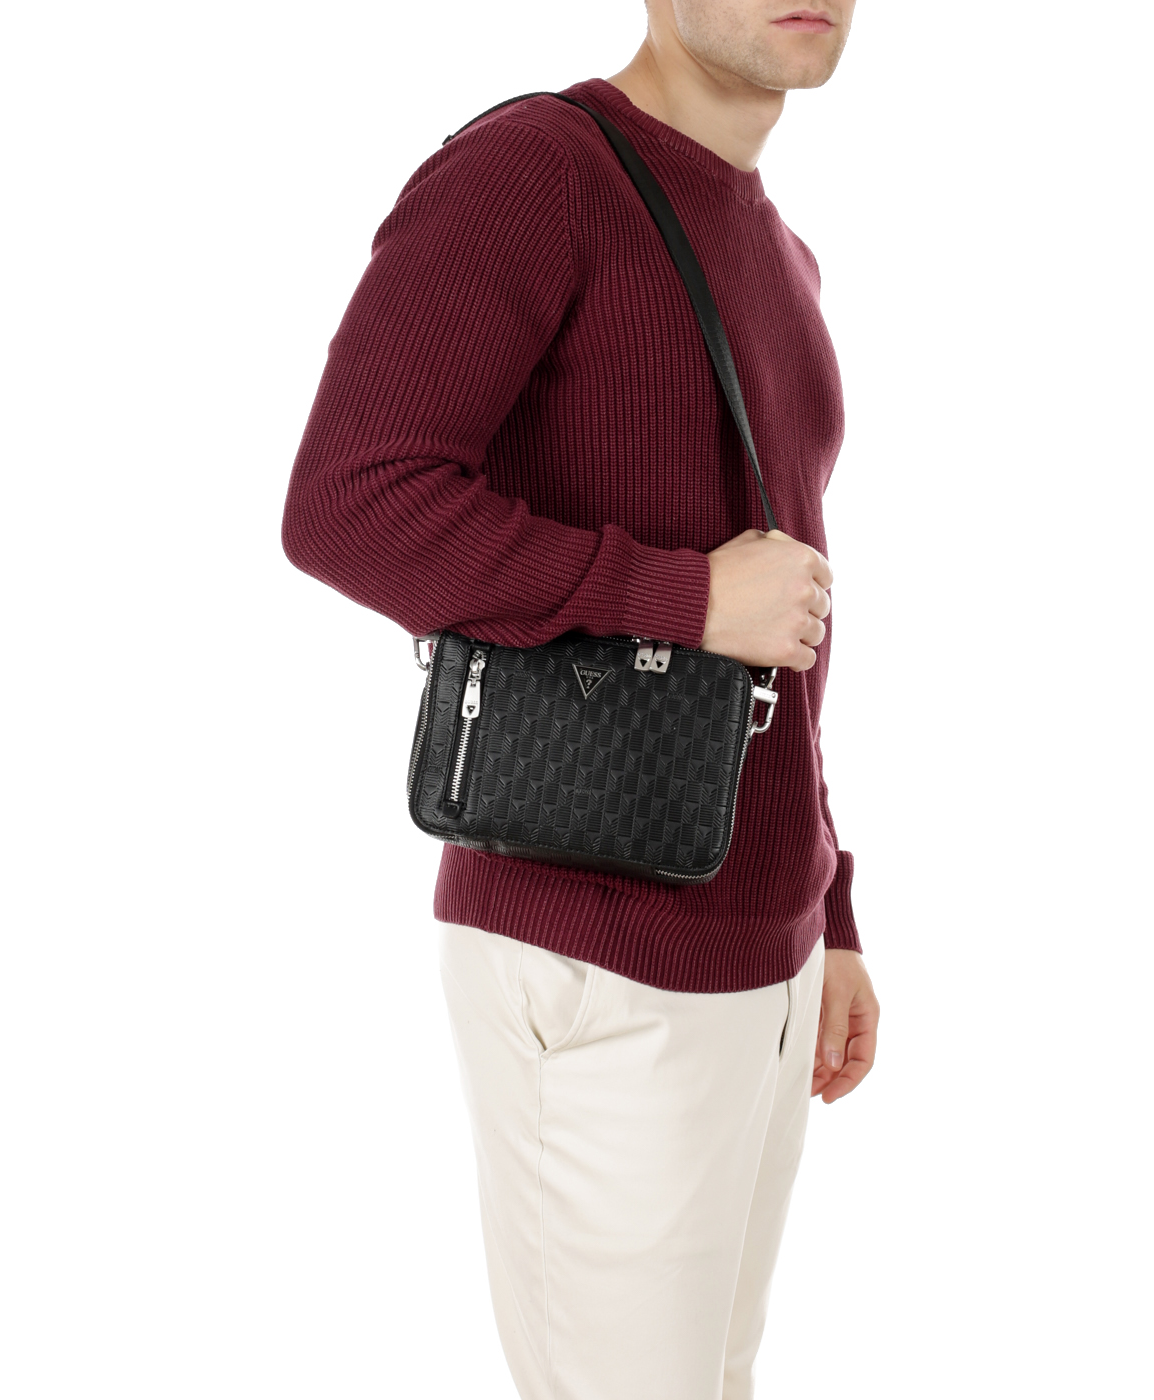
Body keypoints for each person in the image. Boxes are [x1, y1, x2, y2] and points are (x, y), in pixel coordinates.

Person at [282, 1, 878, 1394]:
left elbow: (785, 617)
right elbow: (348, 504)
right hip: (597, 949)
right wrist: (678, 598)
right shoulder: (534, 175)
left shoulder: (778, 249)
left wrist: (830, 907)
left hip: (763, 951)